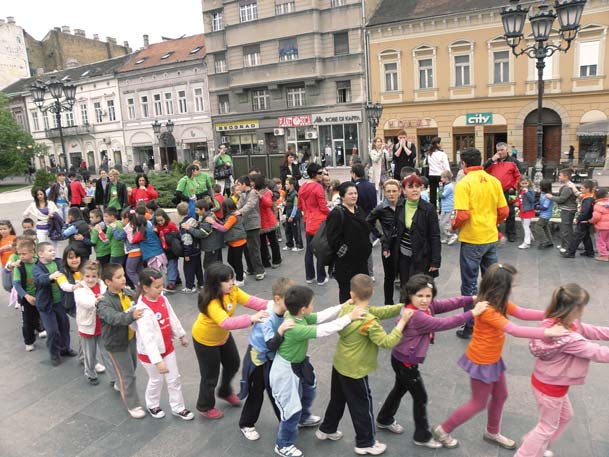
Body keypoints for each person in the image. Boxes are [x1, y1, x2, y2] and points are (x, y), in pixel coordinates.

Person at [433, 264, 569, 450]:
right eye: (512, 285)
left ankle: (492, 432)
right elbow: (514, 330)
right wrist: (548, 331)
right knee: (478, 402)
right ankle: (443, 430)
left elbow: (521, 312)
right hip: (482, 361)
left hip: (492, 358)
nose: (514, 288)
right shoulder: (489, 309)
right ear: (501, 287)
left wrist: (552, 315)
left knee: (501, 395)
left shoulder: (498, 301)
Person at [377, 274, 488, 449]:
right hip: (406, 363)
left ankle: (384, 418)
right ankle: (422, 436)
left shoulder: (426, 307)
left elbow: (449, 303)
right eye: (419, 296)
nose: (424, 300)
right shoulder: (416, 316)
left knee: (400, 389)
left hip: (401, 359)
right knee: (421, 397)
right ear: (410, 295)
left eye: (428, 296)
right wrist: (473, 312)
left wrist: (473, 298)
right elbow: (444, 323)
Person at [317, 275, 413, 455]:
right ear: (372, 292)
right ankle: (365, 442)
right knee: (363, 405)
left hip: (340, 364)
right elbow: (386, 342)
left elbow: (378, 311)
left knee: (337, 399)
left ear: (351, 294)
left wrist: (401, 308)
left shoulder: (347, 308)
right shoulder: (369, 322)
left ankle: (327, 429)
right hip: (355, 370)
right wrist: (403, 321)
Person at [269, 286, 366, 457]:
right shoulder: (294, 327)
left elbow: (322, 316)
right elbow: (323, 330)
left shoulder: (299, 316)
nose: (315, 305)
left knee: (309, 390)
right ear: (303, 308)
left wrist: (342, 306)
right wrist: (349, 317)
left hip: (298, 365)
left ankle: (303, 418)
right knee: (291, 410)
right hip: (285, 371)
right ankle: (283, 444)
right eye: (312, 303)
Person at [515, 284, 609, 457]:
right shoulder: (567, 337)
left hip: (550, 383)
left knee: (565, 416)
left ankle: (536, 446)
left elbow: (592, 331)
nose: (584, 311)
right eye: (583, 306)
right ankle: (526, 452)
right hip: (550, 389)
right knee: (546, 426)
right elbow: (599, 353)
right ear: (575, 309)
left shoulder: (557, 321)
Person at [191, 263, 270, 419]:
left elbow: (251, 301)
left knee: (233, 363)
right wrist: (252, 318)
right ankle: (204, 406)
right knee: (210, 375)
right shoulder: (212, 302)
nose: (232, 283)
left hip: (223, 336)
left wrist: (273, 304)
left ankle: (225, 392)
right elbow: (226, 322)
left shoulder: (232, 291)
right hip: (206, 340)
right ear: (215, 284)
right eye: (227, 281)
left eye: (232, 279)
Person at [452, 148, 508, 339]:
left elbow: (462, 215)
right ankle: (493, 321)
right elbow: (504, 211)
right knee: (491, 281)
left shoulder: (464, 183)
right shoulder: (494, 181)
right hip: (491, 237)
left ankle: (470, 325)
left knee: (469, 285)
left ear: (463, 164)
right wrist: (493, 223)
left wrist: (453, 226)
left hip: (472, 239)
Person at [238, 278, 296, 440]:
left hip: (271, 357)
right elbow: (271, 344)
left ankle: (285, 420)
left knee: (277, 389)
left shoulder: (284, 312)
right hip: (258, 358)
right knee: (257, 391)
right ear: (278, 299)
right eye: (290, 301)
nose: (293, 305)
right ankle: (246, 423)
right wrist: (282, 330)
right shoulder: (267, 317)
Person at [133, 269, 194, 420]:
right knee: (156, 380)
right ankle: (152, 404)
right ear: (145, 288)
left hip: (167, 347)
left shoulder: (162, 299)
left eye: (162, 285)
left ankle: (178, 407)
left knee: (174, 378)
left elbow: (171, 317)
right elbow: (148, 340)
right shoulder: (142, 311)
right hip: (150, 355)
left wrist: (181, 335)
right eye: (157, 287)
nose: (161, 289)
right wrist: (158, 361)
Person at [97, 263, 146, 418]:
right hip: (116, 343)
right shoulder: (103, 302)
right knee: (128, 375)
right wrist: (132, 316)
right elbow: (113, 318)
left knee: (131, 367)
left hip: (130, 339)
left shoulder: (126, 292)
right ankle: (133, 405)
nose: (123, 279)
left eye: (123, 275)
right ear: (107, 282)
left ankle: (120, 383)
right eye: (118, 277)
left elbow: (138, 300)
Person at [392, 175, 441, 302]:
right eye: (410, 187)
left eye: (417, 187)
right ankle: (406, 316)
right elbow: (396, 228)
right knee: (405, 288)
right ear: (403, 190)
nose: (415, 190)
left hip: (421, 257)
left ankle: (423, 318)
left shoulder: (428, 209)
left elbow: (435, 235)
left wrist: (435, 261)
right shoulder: (400, 205)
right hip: (403, 256)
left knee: (420, 290)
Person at [327, 182, 371, 302]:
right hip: (345, 266)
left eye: (355, 193)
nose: (354, 196)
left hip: (361, 263)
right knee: (347, 298)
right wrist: (345, 252)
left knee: (362, 295)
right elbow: (332, 239)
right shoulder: (337, 213)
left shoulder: (358, 209)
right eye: (350, 193)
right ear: (342, 196)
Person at [33, 242, 75, 366]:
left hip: (59, 303)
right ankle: (54, 354)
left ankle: (65, 349)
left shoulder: (58, 262)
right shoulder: (37, 268)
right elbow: (40, 279)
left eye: (53, 250)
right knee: (52, 331)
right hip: (46, 305)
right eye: (49, 250)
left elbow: (68, 270)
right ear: (40, 254)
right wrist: (51, 276)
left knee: (64, 326)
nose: (53, 252)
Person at [74, 260, 115, 386]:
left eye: (94, 276)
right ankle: (90, 373)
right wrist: (97, 301)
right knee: (89, 354)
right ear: (82, 276)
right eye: (87, 276)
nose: (91, 279)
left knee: (107, 352)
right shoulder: (79, 289)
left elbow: (108, 294)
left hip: (102, 325)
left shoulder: (102, 285)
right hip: (87, 327)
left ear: (98, 277)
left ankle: (113, 376)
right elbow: (84, 302)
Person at [367, 179, 400, 305]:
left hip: (403, 244)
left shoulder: (404, 205)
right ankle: (388, 303)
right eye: (388, 191)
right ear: (384, 193)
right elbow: (368, 222)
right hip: (388, 246)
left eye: (394, 191)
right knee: (389, 276)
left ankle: (404, 302)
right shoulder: (381, 208)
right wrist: (380, 236)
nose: (391, 194)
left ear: (399, 192)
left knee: (404, 273)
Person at [298, 162, 330, 285]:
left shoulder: (302, 187)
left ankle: (309, 276)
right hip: (319, 222)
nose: (322, 175)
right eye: (320, 173)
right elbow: (323, 207)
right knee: (320, 249)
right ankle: (321, 277)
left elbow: (300, 206)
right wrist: (331, 213)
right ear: (313, 174)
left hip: (308, 220)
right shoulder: (318, 187)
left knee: (309, 250)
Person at [484, 142, 520, 242]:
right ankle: (495, 231)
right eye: (498, 150)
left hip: (510, 191)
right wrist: (491, 160)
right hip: (495, 191)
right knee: (494, 212)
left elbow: (518, 177)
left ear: (506, 150)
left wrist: (514, 187)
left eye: (501, 150)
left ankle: (511, 233)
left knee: (511, 212)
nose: (499, 152)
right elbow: (482, 170)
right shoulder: (492, 161)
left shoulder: (513, 162)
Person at [12, 239, 43, 352]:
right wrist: (26, 296)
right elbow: (16, 283)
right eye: (19, 254)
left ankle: (40, 328)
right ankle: (29, 341)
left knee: (41, 314)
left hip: (40, 295)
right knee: (27, 320)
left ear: (32, 252)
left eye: (24, 253)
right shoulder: (19, 266)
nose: (21, 256)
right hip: (26, 298)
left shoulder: (39, 263)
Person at [209, 199, 247, 286]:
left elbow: (224, 228)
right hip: (234, 241)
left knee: (237, 261)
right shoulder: (232, 215)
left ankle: (240, 279)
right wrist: (217, 221)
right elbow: (225, 224)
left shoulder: (232, 217)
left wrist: (213, 222)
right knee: (231, 260)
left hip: (238, 242)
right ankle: (240, 272)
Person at [235, 176, 265, 281]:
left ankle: (260, 271)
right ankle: (251, 268)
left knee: (254, 249)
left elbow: (250, 205)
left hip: (253, 224)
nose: (237, 187)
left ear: (244, 184)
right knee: (246, 249)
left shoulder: (253, 193)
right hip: (245, 224)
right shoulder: (243, 194)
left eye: (239, 184)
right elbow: (238, 205)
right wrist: (233, 210)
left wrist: (239, 212)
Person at [545, 168, 577, 254]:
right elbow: (560, 195)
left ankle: (567, 246)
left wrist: (550, 197)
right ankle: (564, 244)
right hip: (567, 209)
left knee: (566, 229)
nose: (559, 177)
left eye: (560, 175)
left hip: (568, 210)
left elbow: (561, 199)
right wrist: (552, 194)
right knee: (565, 227)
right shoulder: (567, 185)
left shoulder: (568, 187)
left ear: (566, 177)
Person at [561, 180, 595, 258]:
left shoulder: (588, 199)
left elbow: (585, 212)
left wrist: (579, 219)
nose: (581, 190)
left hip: (584, 221)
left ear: (588, 189)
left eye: (582, 188)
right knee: (586, 236)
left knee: (576, 237)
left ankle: (570, 252)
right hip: (587, 221)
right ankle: (589, 252)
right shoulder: (589, 197)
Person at [256, 175, 282, 269]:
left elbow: (268, 203)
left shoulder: (266, 191)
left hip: (268, 219)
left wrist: (261, 197)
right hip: (259, 221)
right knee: (262, 243)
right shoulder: (253, 192)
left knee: (273, 241)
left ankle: (277, 260)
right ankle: (265, 261)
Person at [176, 202, 202, 293]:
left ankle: (190, 286)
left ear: (178, 213)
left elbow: (187, 239)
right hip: (197, 248)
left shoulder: (183, 224)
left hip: (190, 250)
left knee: (188, 269)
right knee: (198, 267)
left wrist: (186, 253)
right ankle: (201, 283)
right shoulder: (193, 220)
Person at [153, 209, 180, 291]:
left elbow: (177, 235)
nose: (160, 222)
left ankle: (171, 282)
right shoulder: (158, 227)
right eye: (158, 221)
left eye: (161, 220)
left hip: (172, 249)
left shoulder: (170, 225)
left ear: (165, 218)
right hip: (164, 249)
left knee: (171, 265)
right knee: (170, 265)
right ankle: (177, 279)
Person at [426, 137, 450, 210]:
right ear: (438, 144)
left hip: (431, 176)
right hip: (440, 177)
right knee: (441, 193)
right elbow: (446, 166)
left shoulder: (429, 154)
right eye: (441, 143)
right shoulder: (442, 154)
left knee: (432, 195)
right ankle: (441, 209)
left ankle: (432, 209)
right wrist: (449, 175)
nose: (442, 144)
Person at [589, 187, 609, 261]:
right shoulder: (608, 203)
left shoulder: (598, 205)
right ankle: (607, 252)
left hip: (602, 227)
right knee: (607, 240)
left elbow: (596, 217)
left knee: (601, 241)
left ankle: (604, 255)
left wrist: (591, 221)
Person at [439, 170, 457, 245]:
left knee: (444, 223)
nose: (441, 179)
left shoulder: (448, 187)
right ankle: (447, 237)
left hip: (448, 207)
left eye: (442, 178)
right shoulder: (447, 185)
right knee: (443, 222)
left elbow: (442, 195)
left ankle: (452, 235)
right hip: (445, 206)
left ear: (446, 178)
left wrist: (440, 188)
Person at [517, 177, 536, 249]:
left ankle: (527, 243)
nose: (524, 185)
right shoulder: (520, 190)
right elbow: (520, 198)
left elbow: (532, 200)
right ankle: (530, 237)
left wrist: (527, 192)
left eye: (526, 183)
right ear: (520, 183)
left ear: (529, 183)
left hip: (528, 210)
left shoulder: (530, 190)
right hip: (522, 210)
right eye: (522, 183)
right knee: (524, 225)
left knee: (526, 226)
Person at [536, 180, 555, 249]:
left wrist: (537, 207)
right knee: (545, 227)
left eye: (540, 186)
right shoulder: (542, 194)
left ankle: (545, 241)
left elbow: (545, 207)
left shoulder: (548, 196)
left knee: (537, 226)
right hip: (543, 215)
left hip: (545, 215)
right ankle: (550, 241)